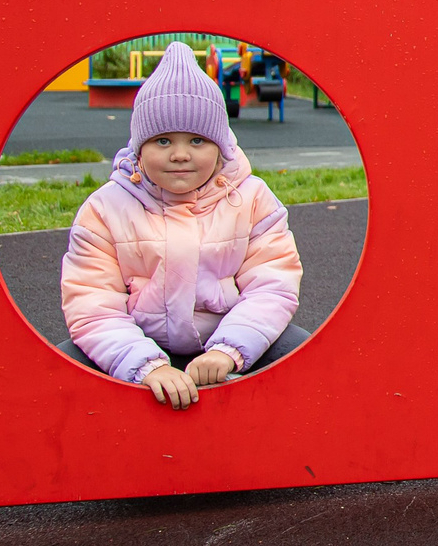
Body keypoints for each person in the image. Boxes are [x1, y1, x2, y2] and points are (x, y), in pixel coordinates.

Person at [59, 44, 306, 408]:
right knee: (61, 367)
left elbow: (272, 286)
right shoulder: (105, 208)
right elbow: (92, 302)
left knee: (303, 355)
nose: (179, 154)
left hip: (226, 336)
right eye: (162, 141)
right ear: (139, 149)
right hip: (137, 340)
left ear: (221, 147)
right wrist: (144, 364)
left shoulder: (252, 199)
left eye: (197, 140)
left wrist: (229, 349)